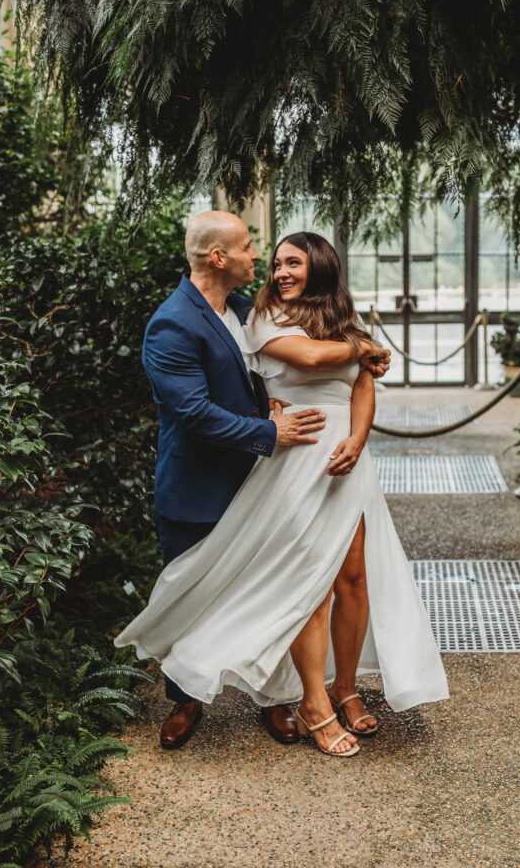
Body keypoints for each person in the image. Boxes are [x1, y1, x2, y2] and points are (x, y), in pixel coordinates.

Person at [117, 226, 448, 758]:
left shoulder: (247, 306)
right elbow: (196, 411)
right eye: (258, 253)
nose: (267, 264)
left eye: (286, 260)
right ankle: (186, 700)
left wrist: (356, 434)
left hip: (325, 459)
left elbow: (349, 380)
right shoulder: (178, 322)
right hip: (238, 468)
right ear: (220, 256)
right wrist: (274, 425)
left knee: (347, 576)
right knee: (211, 584)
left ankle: (292, 695)